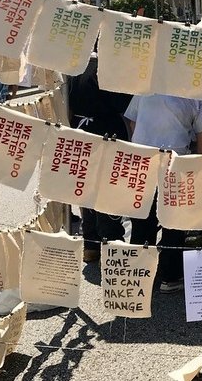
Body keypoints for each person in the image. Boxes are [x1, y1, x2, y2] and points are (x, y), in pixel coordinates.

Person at [124, 94, 202, 293]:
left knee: (142, 220)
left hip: (143, 159)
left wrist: (144, 141)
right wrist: (199, 168)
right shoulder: (195, 94)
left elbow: (132, 120)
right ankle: (170, 277)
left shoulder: (148, 86)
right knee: (173, 221)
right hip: (176, 161)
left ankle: (138, 277)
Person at [67, 55, 133, 263]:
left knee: (86, 189)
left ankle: (91, 244)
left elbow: (67, 106)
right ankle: (110, 241)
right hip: (107, 135)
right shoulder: (107, 68)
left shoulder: (75, 66)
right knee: (108, 189)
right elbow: (125, 110)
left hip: (80, 133)